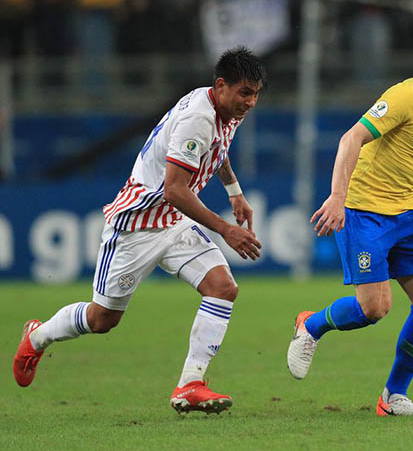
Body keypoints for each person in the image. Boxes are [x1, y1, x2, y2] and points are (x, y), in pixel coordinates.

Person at [12, 47, 266, 415]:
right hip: (137, 226)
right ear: (222, 85)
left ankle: (190, 384)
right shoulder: (198, 116)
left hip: (174, 223)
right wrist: (226, 229)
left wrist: (234, 192)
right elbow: (175, 190)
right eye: (245, 93)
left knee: (223, 288)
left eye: (256, 94)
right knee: (102, 320)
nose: (251, 102)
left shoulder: (224, 109)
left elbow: (218, 148)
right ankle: (37, 336)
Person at [287, 23, 413, 416]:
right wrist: (337, 197)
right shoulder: (407, 95)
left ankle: (393, 396)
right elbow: (351, 139)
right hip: (364, 212)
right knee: (374, 309)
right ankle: (311, 325)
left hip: (406, 216)